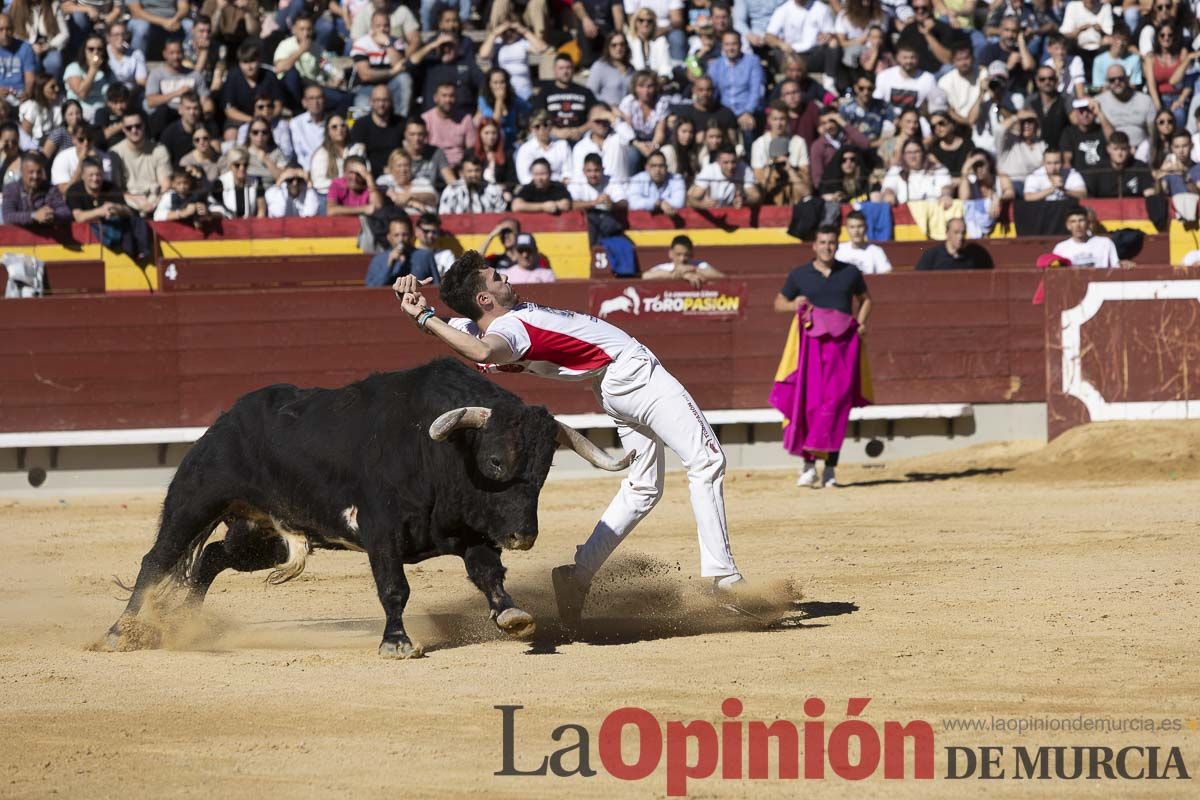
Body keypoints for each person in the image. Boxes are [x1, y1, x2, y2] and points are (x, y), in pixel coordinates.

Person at [392, 253, 746, 625]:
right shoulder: (511, 331)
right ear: (485, 299)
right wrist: (426, 317)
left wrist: (421, 312)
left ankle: (577, 577)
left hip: (612, 385)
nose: (506, 278)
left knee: (643, 488)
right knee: (706, 461)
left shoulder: (483, 326)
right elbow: (480, 349)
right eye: (497, 278)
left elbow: (460, 334)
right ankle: (724, 578)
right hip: (636, 375)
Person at [771, 225, 872, 488]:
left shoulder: (850, 272)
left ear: (837, 246)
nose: (827, 246)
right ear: (814, 246)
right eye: (823, 242)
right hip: (811, 351)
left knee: (837, 406)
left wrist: (860, 323)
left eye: (831, 242)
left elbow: (866, 300)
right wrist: (794, 305)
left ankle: (829, 469)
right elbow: (778, 303)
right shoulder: (800, 275)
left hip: (842, 350)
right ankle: (808, 466)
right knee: (809, 404)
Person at [350, 8, 413, 117]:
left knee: (404, 79)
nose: (382, 29)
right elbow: (365, 75)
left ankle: (401, 120)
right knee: (360, 110)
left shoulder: (396, 42)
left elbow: (400, 65)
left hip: (390, 86)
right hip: (366, 87)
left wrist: (387, 44)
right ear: (372, 27)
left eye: (386, 25)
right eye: (378, 26)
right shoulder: (362, 43)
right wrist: (392, 72)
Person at [111, 111, 171, 215]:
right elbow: (116, 188)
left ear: (144, 126)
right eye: (129, 128)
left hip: (156, 200)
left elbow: (165, 185)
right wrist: (137, 202)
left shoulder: (159, 150)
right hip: (128, 202)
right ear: (123, 130)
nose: (134, 130)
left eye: (138, 126)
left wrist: (154, 203)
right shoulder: (115, 153)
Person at [365, 214, 438, 287]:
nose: (401, 239)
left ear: (411, 235)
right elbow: (371, 289)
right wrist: (389, 266)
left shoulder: (424, 256)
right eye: (396, 235)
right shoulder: (378, 260)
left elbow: (437, 286)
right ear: (389, 237)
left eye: (405, 235)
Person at [1095, 64, 1156, 150]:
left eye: (1120, 78)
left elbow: (1153, 133)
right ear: (1107, 82)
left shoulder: (1145, 100)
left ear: (1127, 79)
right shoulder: (1099, 102)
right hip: (1113, 152)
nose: (1117, 82)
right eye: (1112, 80)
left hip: (1141, 150)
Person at [350, 84, 405, 177]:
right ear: (370, 102)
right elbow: (356, 158)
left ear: (391, 101)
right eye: (377, 100)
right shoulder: (361, 125)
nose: (381, 104)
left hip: (399, 175)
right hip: (369, 176)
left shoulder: (401, 123)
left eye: (385, 100)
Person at [2, 151, 71, 225]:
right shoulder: (11, 190)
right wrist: (33, 216)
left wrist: (52, 215)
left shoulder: (50, 189)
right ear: (22, 172)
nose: (35, 176)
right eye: (31, 172)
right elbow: (8, 216)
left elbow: (66, 212)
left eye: (39, 172)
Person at [688, 145, 761, 208]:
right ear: (718, 162)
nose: (730, 167)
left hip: (734, 213)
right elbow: (691, 198)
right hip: (713, 213)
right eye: (726, 162)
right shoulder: (709, 170)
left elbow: (755, 196)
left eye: (733, 162)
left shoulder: (744, 169)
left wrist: (744, 201)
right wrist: (703, 205)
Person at [1089, 130, 1156, 197]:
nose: (1119, 153)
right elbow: (1089, 196)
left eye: (1123, 149)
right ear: (1108, 149)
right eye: (1115, 149)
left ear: (1129, 149)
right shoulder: (1098, 170)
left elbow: (1149, 193)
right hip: (1104, 207)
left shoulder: (1140, 167)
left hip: (1133, 206)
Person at [1051, 206, 1121, 267]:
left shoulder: (1105, 243)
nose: (1078, 225)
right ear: (1068, 225)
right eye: (1073, 221)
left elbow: (1116, 267)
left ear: (1088, 223)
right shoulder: (1060, 248)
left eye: (1081, 220)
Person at [914, 217, 995, 269]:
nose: (960, 237)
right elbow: (917, 280)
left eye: (963, 233)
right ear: (947, 234)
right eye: (956, 233)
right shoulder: (932, 255)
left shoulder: (971, 257)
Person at [644, 234, 726, 285]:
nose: (682, 258)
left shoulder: (700, 265)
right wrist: (682, 275)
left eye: (686, 255)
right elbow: (646, 276)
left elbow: (721, 277)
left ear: (692, 254)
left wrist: (693, 269)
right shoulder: (664, 268)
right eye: (678, 254)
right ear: (670, 254)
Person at [438, 155, 509, 214]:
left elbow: (501, 214)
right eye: (469, 171)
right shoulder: (452, 190)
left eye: (477, 170)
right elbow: (444, 216)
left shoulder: (492, 189)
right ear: (461, 173)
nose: (473, 174)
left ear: (482, 171)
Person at [208, 145, 265, 218]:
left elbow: (261, 210)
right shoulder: (220, 183)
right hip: (228, 224)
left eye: (245, 165)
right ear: (230, 166)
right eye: (237, 165)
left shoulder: (256, 181)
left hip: (250, 225)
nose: (242, 168)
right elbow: (214, 208)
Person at [627, 149, 686, 214]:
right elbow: (633, 203)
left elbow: (679, 202)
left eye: (661, 166)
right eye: (653, 166)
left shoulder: (676, 179)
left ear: (666, 167)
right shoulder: (637, 179)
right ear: (647, 167)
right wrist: (658, 204)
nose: (657, 170)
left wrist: (659, 204)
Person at [0, 13, 38, 109]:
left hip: (19, 94)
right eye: (0, 30)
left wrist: (27, 92)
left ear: (13, 30)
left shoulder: (25, 48)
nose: (5, 34)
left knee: (32, 107)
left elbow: (30, 78)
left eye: (8, 29)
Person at [1022, 149, 1088, 200]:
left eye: (1056, 163)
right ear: (1043, 163)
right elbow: (1028, 197)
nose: (1053, 167)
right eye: (1049, 163)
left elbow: (1084, 195)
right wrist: (1053, 188)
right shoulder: (1035, 176)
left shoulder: (1071, 173)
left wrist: (1064, 190)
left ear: (1062, 162)